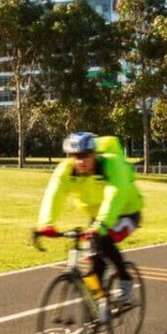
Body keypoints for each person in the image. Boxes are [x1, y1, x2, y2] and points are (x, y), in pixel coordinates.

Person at [35, 132, 145, 311]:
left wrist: (101, 225)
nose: (81, 161)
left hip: (126, 213)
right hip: (99, 216)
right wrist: (46, 223)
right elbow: (54, 193)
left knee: (102, 239)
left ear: (94, 154)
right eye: (75, 156)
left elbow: (114, 196)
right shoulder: (67, 169)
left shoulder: (111, 164)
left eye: (85, 155)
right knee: (92, 257)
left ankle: (125, 279)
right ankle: (101, 303)